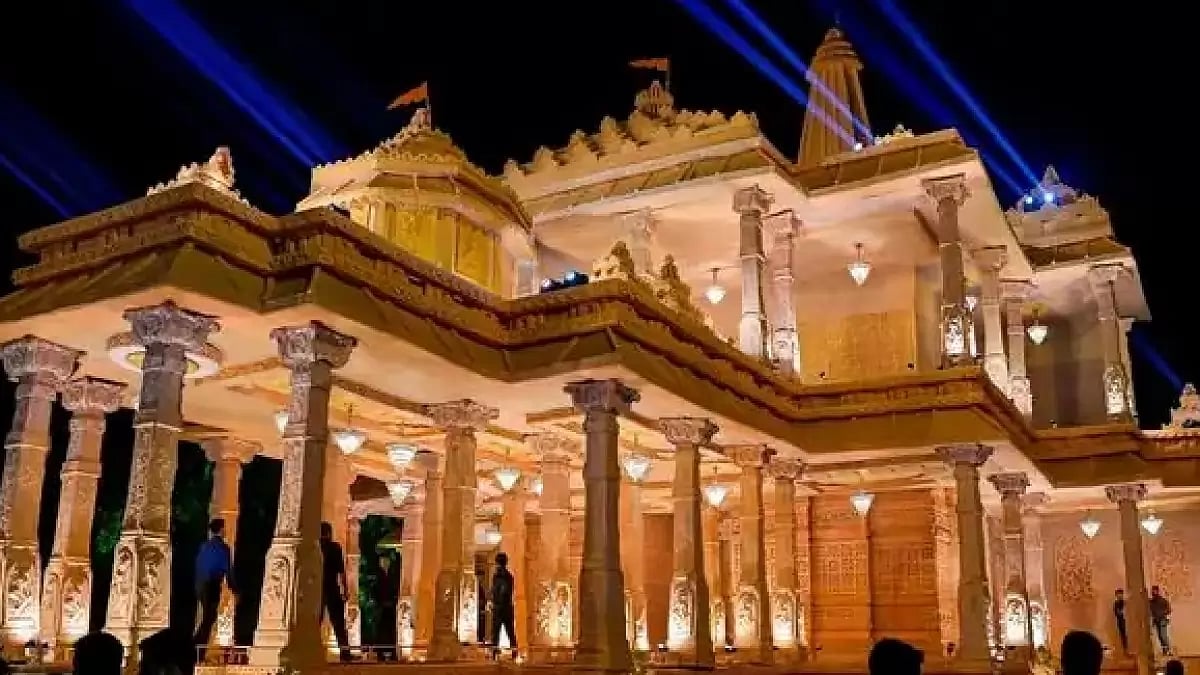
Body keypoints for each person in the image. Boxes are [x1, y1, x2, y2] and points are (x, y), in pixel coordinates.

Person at [193, 518, 236, 657]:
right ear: (221, 529)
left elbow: (198, 564)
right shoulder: (224, 548)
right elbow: (227, 571)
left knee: (207, 616)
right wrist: (234, 589)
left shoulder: (204, 546)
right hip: (212, 584)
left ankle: (198, 647)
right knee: (209, 617)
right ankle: (196, 647)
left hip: (200, 583)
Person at [320, 521, 352, 662]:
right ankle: (345, 653)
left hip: (317, 589)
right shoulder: (334, 547)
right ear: (329, 533)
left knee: (314, 620)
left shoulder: (316, 547)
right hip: (331, 587)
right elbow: (341, 572)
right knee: (339, 623)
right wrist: (345, 589)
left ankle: (312, 647)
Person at [489, 552, 517, 658]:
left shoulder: (500, 576)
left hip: (501, 607)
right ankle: (512, 652)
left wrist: (496, 602)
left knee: (498, 631)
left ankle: (495, 653)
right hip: (505, 607)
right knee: (509, 631)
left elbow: (502, 591)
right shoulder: (507, 576)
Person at [375, 554, 400, 662]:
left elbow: (394, 589)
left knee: (390, 630)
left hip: (389, 606)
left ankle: (392, 653)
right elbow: (376, 590)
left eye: (386, 561)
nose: (385, 563)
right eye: (383, 561)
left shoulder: (391, 574)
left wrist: (393, 600)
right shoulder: (379, 575)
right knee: (382, 630)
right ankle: (381, 653)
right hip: (383, 606)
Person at [1150, 585, 1172, 655]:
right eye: (1152, 590)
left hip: (1162, 620)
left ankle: (1168, 649)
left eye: (1155, 590)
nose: (1153, 592)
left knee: (1163, 635)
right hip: (1156, 620)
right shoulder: (1151, 602)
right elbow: (1150, 611)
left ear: (1157, 591)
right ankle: (1165, 650)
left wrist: (1162, 613)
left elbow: (1169, 610)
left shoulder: (1162, 600)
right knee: (1160, 636)